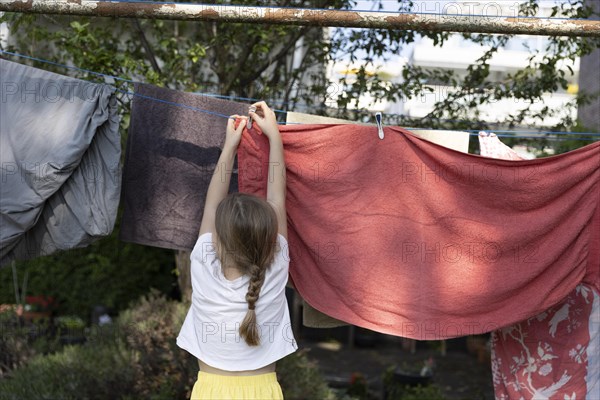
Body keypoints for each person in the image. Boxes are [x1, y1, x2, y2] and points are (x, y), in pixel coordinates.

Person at [177, 102, 297, 400]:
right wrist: (274, 137)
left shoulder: (203, 261)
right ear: (268, 238)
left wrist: (229, 147)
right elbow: (277, 200)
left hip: (210, 392)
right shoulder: (275, 266)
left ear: (217, 239)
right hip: (264, 392)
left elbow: (211, 204)